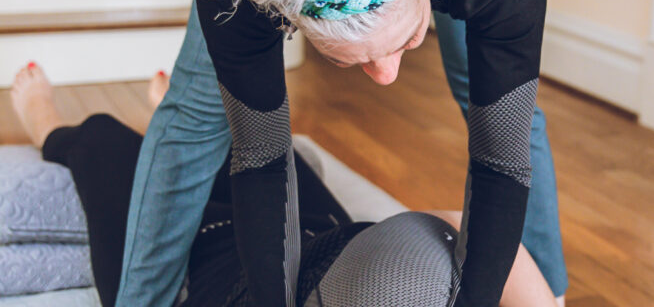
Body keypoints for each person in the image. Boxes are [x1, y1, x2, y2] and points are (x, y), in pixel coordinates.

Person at [118, 0, 567, 306]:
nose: (387, 76)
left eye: (408, 38)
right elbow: (261, 157)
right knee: (202, 105)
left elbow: (500, 159)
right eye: (343, 60)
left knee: (501, 110)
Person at [8, 63, 557, 306]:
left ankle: (47, 118)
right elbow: (470, 230)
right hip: (325, 241)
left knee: (101, 138)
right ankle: (181, 113)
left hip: (202, 264)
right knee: (268, 149)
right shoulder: (404, 279)